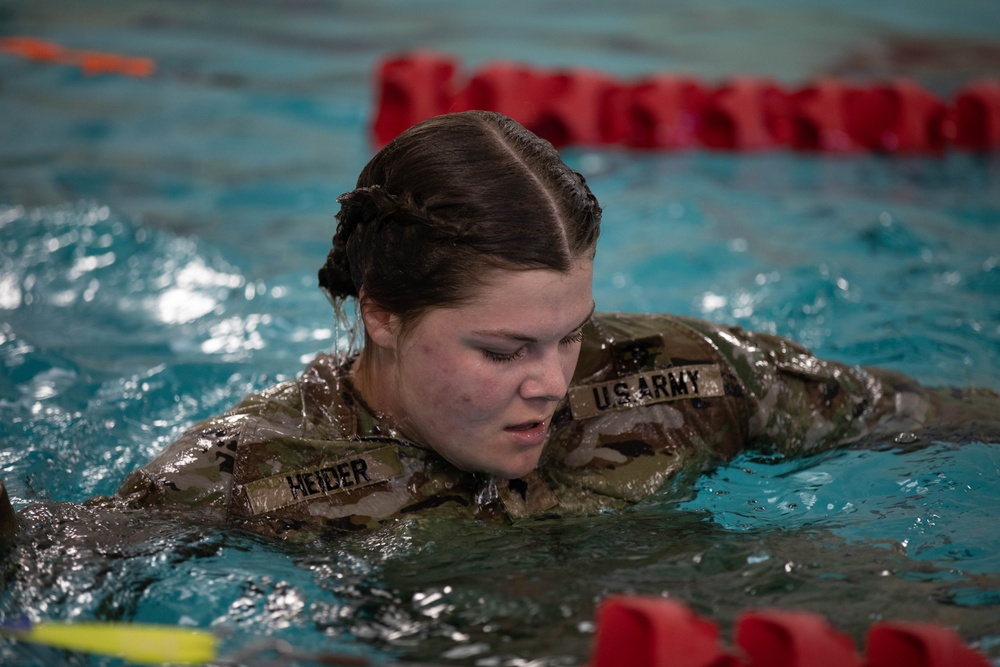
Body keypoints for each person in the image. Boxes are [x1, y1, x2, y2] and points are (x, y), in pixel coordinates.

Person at [100, 110, 998, 538]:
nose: (554, 381)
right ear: (381, 315)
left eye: (571, 333)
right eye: (503, 349)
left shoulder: (686, 374)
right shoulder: (247, 479)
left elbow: (925, 417)